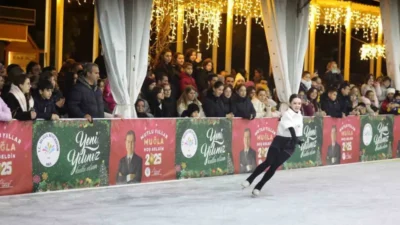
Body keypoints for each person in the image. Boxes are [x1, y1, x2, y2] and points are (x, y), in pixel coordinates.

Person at [241, 94, 304, 197]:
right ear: (290, 103)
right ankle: (250, 179)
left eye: (299, 103)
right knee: (268, 162)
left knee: (274, 166)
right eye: (295, 103)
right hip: (279, 142)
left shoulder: (300, 115)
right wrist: (295, 139)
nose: (297, 105)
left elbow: (297, 132)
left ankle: (259, 186)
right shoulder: (286, 114)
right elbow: (291, 128)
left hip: (290, 145)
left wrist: (298, 140)